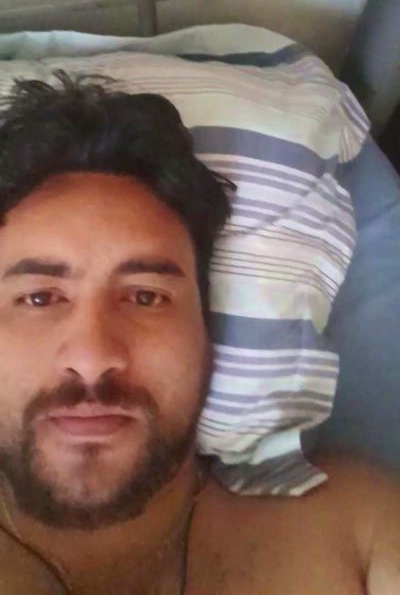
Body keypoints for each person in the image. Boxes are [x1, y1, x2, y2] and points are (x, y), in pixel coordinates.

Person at [0, 71, 397, 595]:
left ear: (207, 336)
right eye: (39, 298)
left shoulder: (357, 531)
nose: (92, 356)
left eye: (146, 297)